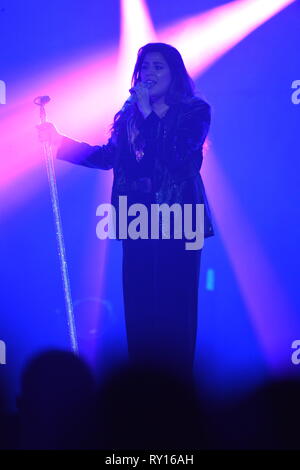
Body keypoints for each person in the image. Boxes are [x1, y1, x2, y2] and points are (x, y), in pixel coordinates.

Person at [37, 42, 214, 378]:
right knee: (140, 304)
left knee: (175, 306)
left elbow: (175, 156)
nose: (149, 73)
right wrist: (60, 143)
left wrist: (148, 113)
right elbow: (109, 157)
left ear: (174, 73)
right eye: (145, 67)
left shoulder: (194, 111)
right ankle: (141, 387)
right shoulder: (130, 115)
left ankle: (177, 390)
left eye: (158, 67)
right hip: (136, 218)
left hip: (178, 219)